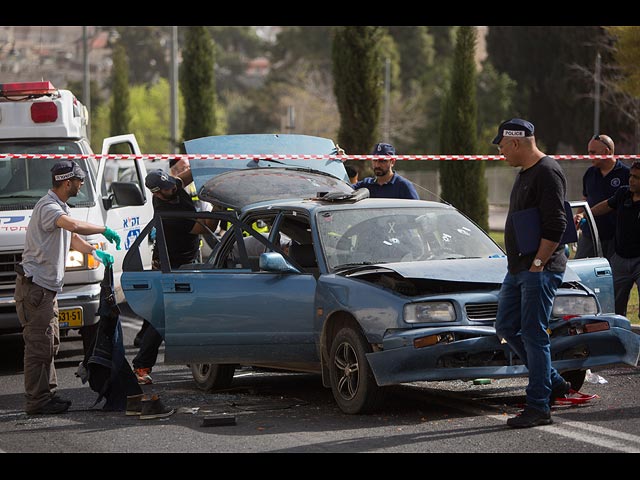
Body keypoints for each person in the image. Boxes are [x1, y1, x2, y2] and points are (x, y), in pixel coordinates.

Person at [14, 160, 121, 415]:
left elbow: (72, 238)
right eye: (78, 180)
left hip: (44, 290)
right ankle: (37, 401)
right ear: (66, 182)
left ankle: (46, 396)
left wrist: (94, 252)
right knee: (39, 347)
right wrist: (103, 229)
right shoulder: (49, 207)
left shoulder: (59, 207)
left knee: (49, 344)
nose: (81, 184)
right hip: (36, 289)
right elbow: (72, 226)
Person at [492, 119, 572, 428]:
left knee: (535, 335)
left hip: (538, 269)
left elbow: (557, 225)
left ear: (515, 143)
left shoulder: (548, 171)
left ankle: (539, 406)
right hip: (519, 269)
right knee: (506, 326)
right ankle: (553, 382)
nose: (501, 152)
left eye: (502, 146)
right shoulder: (526, 173)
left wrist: (538, 264)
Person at [132, 167, 219, 385]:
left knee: (181, 313)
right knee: (162, 318)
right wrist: (219, 204)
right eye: (168, 188)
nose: (173, 187)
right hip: (169, 268)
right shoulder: (168, 214)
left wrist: (205, 163)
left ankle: (189, 354)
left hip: (185, 263)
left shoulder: (171, 187)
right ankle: (141, 366)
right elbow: (206, 227)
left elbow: (184, 177)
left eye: (171, 184)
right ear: (157, 193)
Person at [589, 160, 640, 320]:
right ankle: (618, 340)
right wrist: (586, 214)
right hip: (620, 259)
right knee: (614, 309)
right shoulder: (623, 193)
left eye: (637, 177)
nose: (631, 180)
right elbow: (606, 205)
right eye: (631, 175)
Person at [574, 134, 629, 260]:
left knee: (612, 276)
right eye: (588, 152)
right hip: (589, 235)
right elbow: (585, 199)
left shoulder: (626, 174)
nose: (590, 156)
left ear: (606, 152)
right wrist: (578, 219)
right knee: (580, 272)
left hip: (615, 237)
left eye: (593, 152)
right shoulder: (589, 173)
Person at [352, 143, 419, 199]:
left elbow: (417, 210)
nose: (377, 165)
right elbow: (344, 191)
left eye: (382, 161)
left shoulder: (403, 186)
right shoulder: (366, 184)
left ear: (392, 162)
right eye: (375, 160)